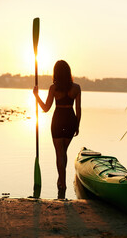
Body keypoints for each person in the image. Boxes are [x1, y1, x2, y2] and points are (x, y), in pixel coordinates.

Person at [33, 60, 81, 199]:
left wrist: (36, 96)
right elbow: (78, 109)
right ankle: (61, 180)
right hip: (71, 119)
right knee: (63, 152)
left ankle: (63, 182)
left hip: (58, 120)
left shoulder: (53, 88)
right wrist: (77, 125)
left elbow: (46, 108)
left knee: (59, 153)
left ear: (56, 73)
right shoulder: (76, 87)